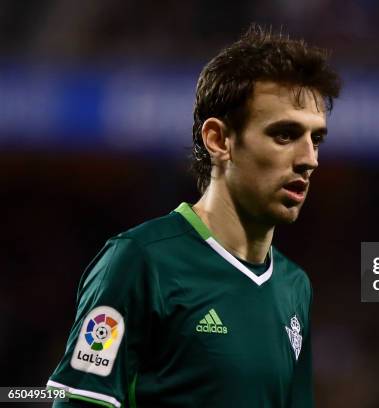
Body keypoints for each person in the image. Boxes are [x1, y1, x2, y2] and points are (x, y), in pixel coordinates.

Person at [47, 24, 341, 407]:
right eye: (284, 135)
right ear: (219, 140)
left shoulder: (294, 287)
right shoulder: (140, 262)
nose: (309, 159)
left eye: (315, 138)